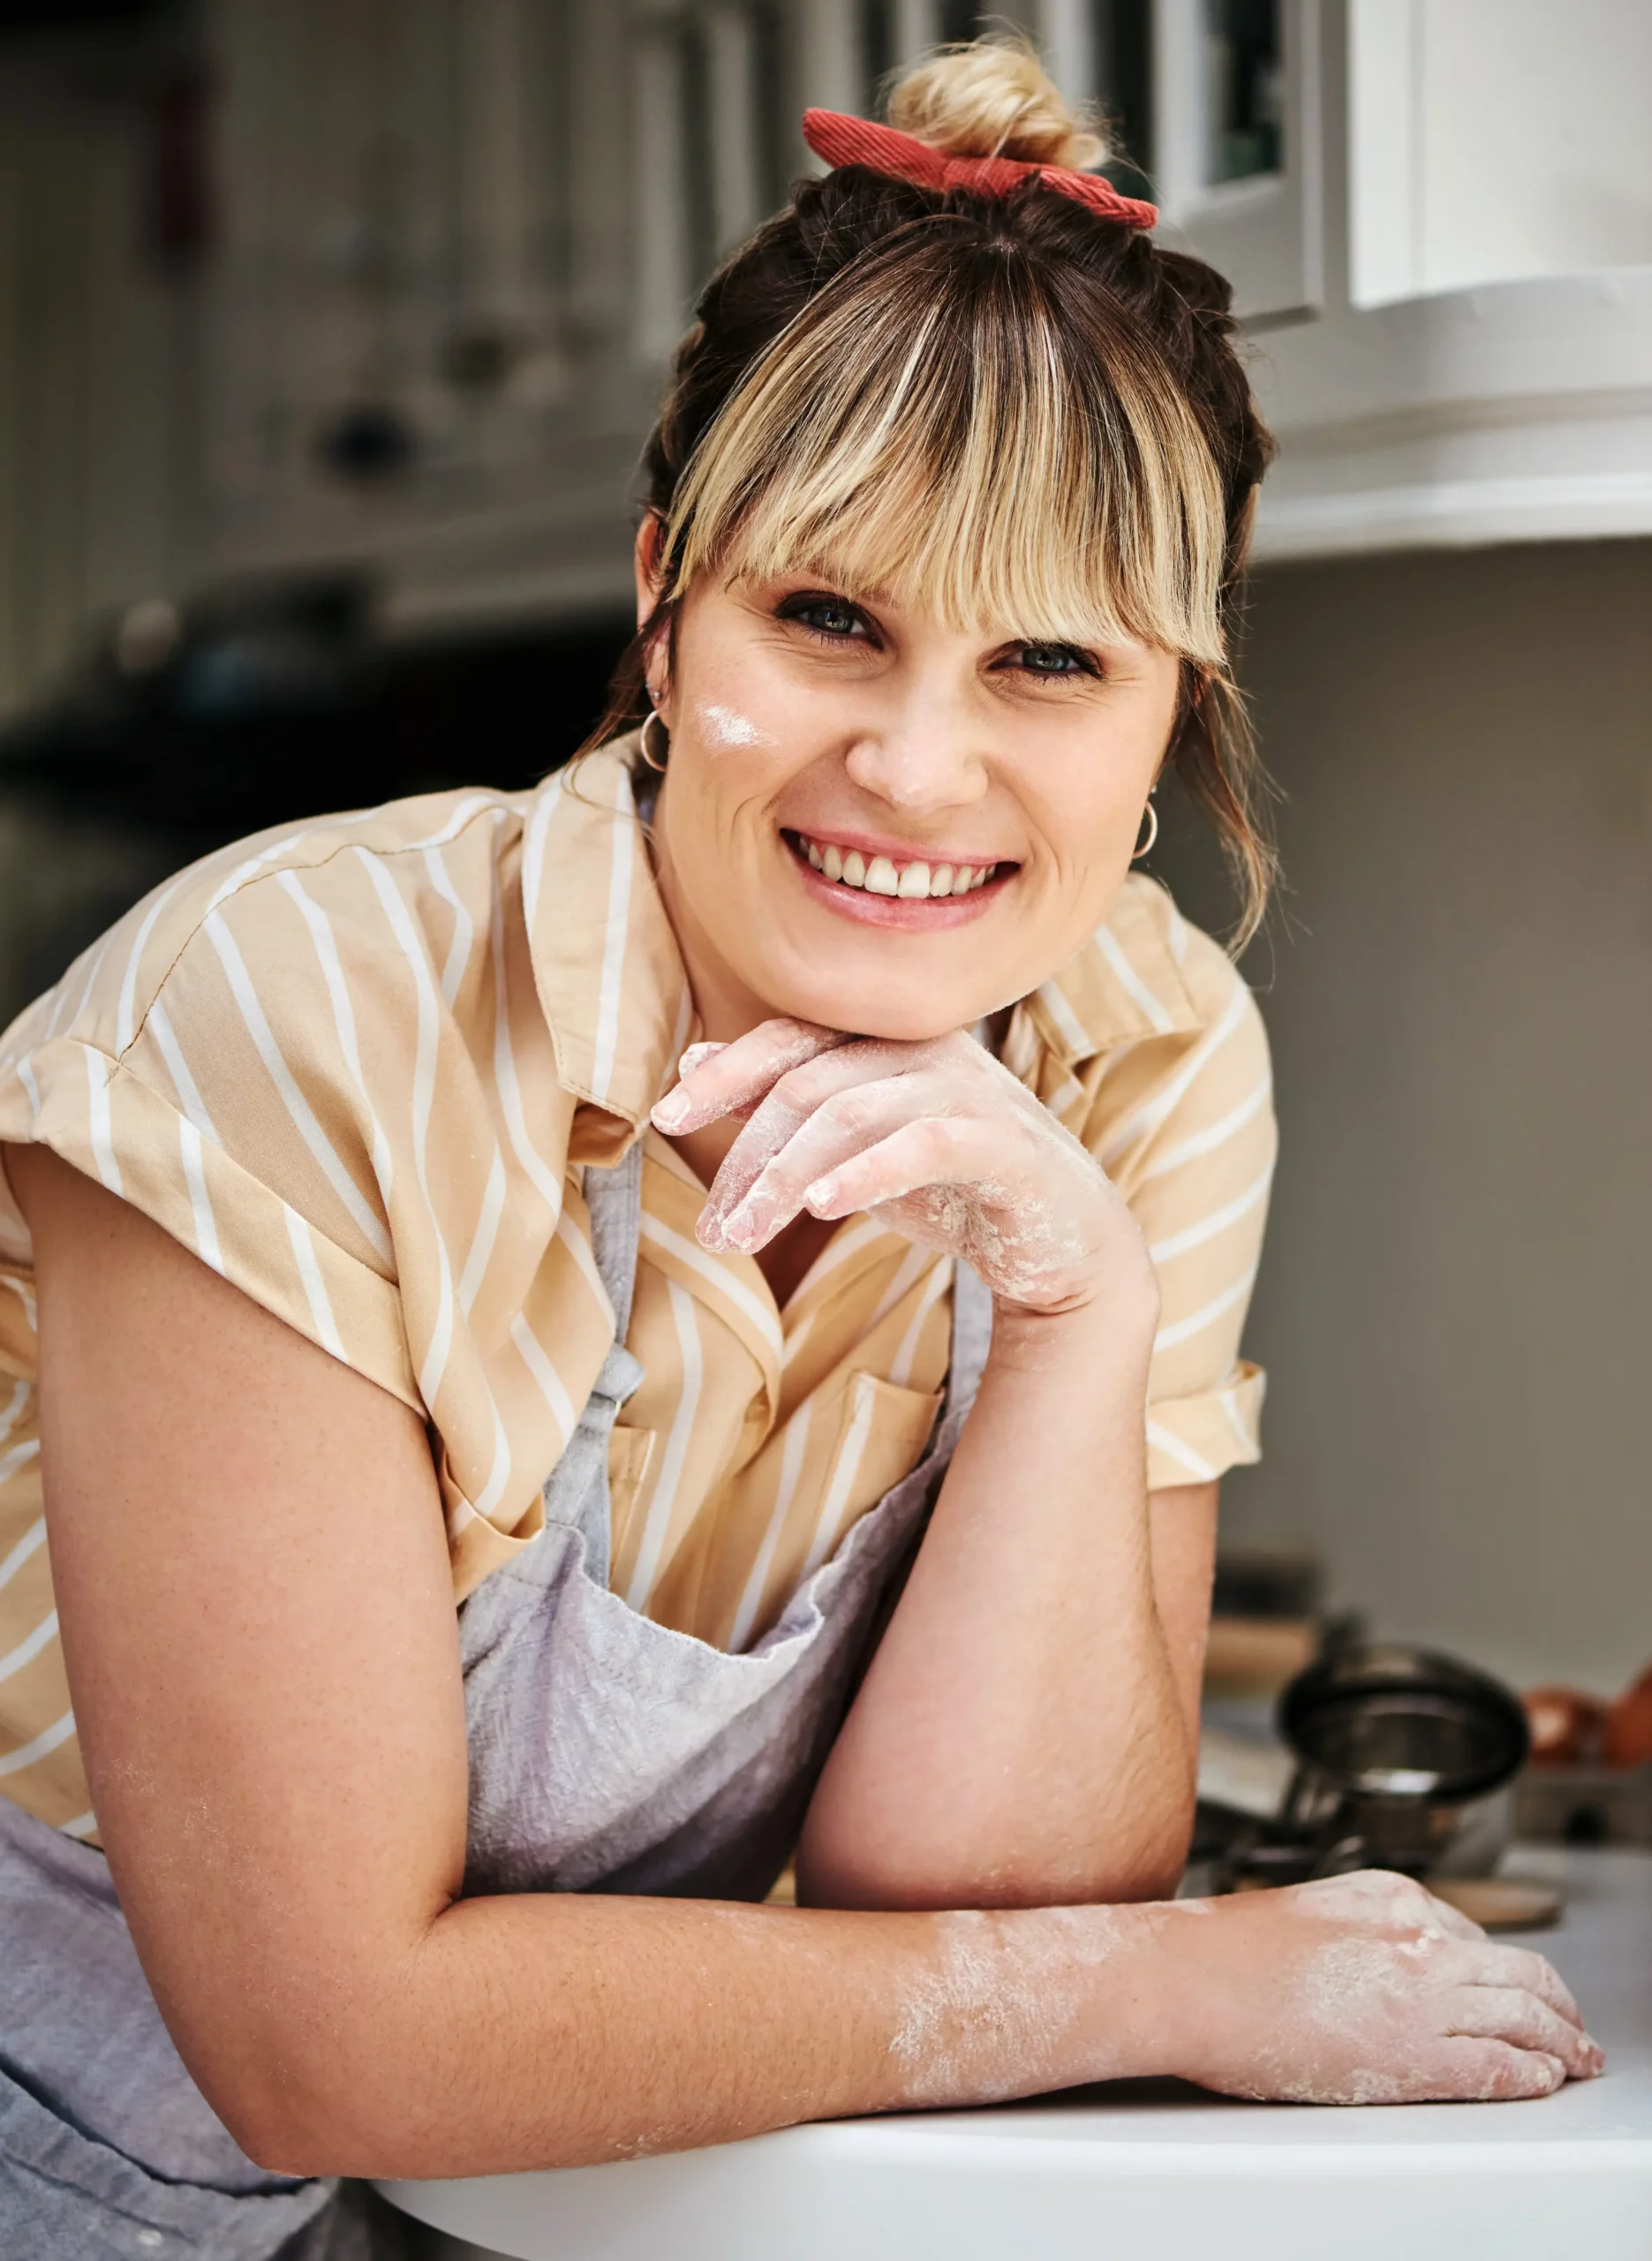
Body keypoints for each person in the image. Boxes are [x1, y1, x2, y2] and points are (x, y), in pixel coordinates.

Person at [0, 35, 1598, 2260]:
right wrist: (1169, 1980)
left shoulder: (1140, 1054)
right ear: (668, 597)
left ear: (1174, 699)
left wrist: (1066, 1308)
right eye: (827, 616)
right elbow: (326, 2032)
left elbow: (972, 1903)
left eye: (1046, 658)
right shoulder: (291, 1001)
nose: (919, 768)